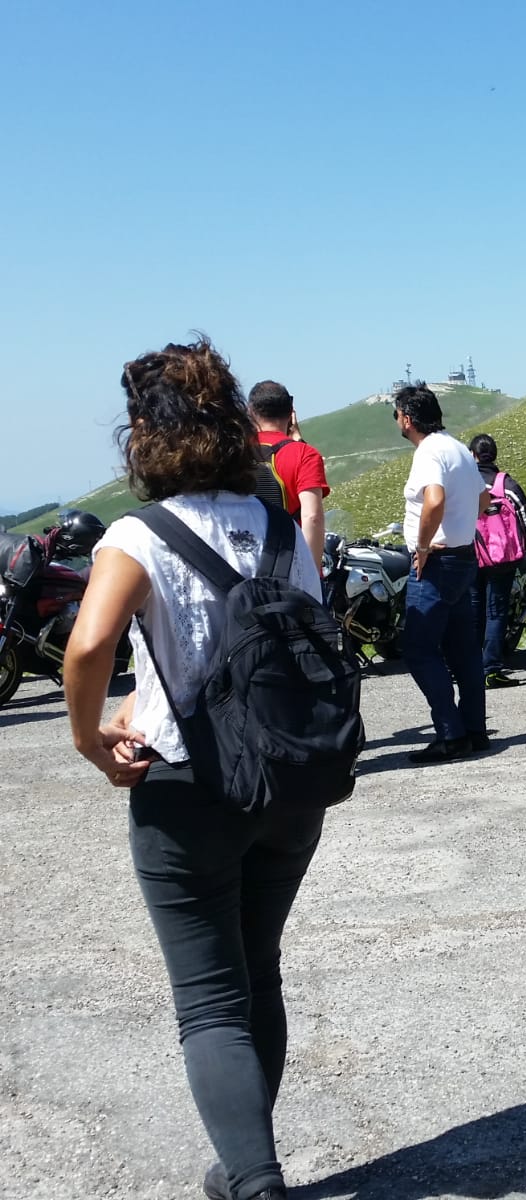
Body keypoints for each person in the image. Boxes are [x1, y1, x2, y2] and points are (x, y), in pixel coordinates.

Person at [62, 337, 326, 1200]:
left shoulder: (137, 536)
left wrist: (89, 738)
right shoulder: (280, 526)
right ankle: (244, 1162)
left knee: (211, 1000)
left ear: (144, 433)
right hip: (289, 782)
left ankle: (253, 1178)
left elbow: (89, 646)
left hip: (187, 788)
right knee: (259, 971)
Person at [395, 384, 491, 763]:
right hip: (464, 557)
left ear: (407, 418)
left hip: (437, 561)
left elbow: (433, 500)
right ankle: (474, 729)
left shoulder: (429, 451)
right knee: (463, 649)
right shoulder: (458, 448)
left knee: (418, 649)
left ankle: (451, 735)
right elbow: (483, 499)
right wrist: (461, 525)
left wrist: (422, 546)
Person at [467, 433, 526, 688]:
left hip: (471, 556)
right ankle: (491, 669)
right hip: (502, 558)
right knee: (496, 612)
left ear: (472, 455)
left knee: (473, 611)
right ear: (494, 455)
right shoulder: (506, 484)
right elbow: (525, 516)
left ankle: (469, 668)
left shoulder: (465, 483)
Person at [247, 380, 330, 569]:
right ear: (291, 412)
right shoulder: (305, 454)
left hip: (247, 561)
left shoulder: (235, 452)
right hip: (289, 563)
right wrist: (311, 572)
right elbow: (312, 517)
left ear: (250, 412)